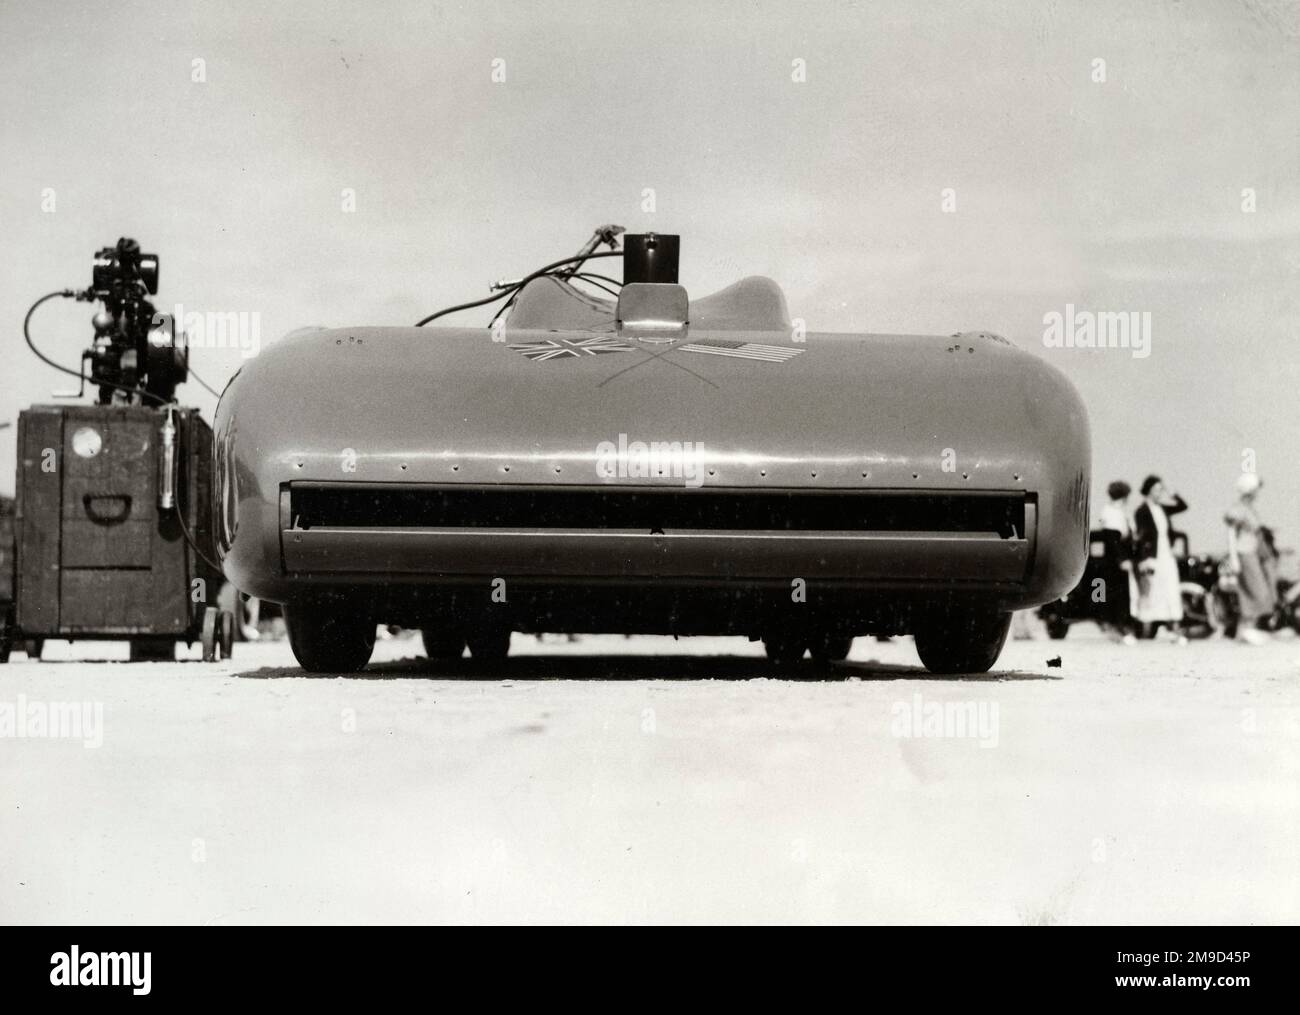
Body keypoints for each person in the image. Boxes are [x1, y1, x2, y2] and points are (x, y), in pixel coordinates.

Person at [1132, 475, 1187, 639]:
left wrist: (1173, 493)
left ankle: (1172, 625)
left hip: (1166, 553)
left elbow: (1183, 506)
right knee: (1153, 589)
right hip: (1152, 555)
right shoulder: (1141, 511)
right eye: (1157, 490)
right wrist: (1144, 558)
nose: (1159, 493)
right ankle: (1149, 627)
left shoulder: (1162, 508)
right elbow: (1142, 537)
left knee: (1170, 587)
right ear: (1148, 490)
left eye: (1161, 490)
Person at [1225, 473, 1275, 645]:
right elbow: (1232, 533)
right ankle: (1247, 629)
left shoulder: (1249, 508)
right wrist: (1234, 558)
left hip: (1252, 553)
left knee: (1255, 591)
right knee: (1256, 591)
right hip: (1244, 552)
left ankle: (1246, 630)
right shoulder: (1238, 509)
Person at [1097, 480, 1137, 643]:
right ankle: (1118, 628)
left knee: (1122, 594)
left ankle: (1121, 627)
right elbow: (1113, 539)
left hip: (1120, 558)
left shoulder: (1119, 511)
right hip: (1115, 561)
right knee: (1117, 594)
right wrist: (1122, 559)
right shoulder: (1111, 512)